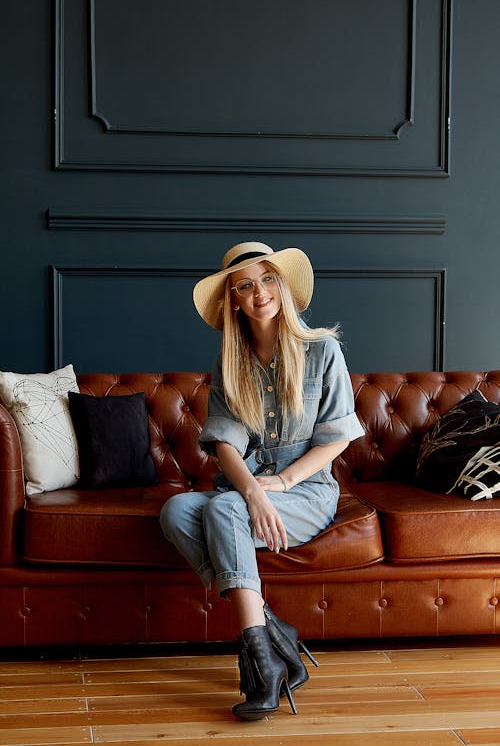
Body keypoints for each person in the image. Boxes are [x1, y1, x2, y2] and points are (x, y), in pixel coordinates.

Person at [160, 241, 364, 720]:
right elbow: (225, 444)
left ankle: (260, 664)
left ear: (283, 286)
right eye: (245, 285)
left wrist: (286, 482)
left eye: (268, 279)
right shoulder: (230, 361)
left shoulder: (322, 350)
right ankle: (273, 632)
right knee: (177, 510)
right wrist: (252, 490)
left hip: (307, 490)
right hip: (248, 484)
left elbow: (338, 438)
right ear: (234, 298)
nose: (260, 292)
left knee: (224, 508)